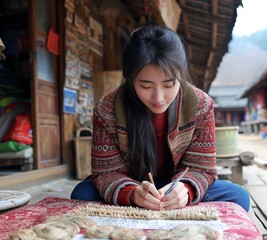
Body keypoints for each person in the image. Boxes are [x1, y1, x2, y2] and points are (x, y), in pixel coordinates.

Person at [71, 25, 250, 212]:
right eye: (146, 86)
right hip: (133, 183)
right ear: (130, 78)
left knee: (239, 196)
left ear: (180, 75)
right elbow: (105, 173)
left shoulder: (201, 105)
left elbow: (203, 169)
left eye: (169, 84)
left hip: (176, 185)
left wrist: (186, 190)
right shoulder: (106, 109)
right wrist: (131, 193)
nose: (158, 98)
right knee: (82, 193)